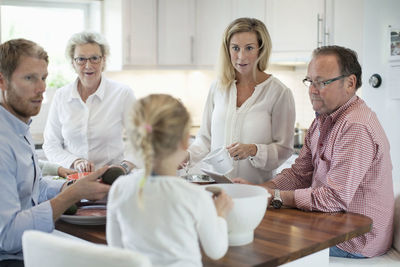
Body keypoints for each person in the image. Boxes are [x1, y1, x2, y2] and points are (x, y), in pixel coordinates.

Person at [234, 45, 394, 258]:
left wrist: (275, 196)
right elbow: (299, 174)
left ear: (350, 83)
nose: (312, 89)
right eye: (310, 81)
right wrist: (259, 191)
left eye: (322, 82)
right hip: (332, 222)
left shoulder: (356, 127)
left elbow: (333, 199)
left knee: (259, 242)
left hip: (356, 240)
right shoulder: (322, 120)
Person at [0, 38, 110, 266]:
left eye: (43, 78)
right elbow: (8, 237)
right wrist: (70, 195)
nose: (41, 88)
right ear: (2, 81)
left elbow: (34, 188)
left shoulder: (18, 127)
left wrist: (71, 186)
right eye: (29, 78)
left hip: (29, 247)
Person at [107, 94, 233, 266]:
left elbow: (116, 248)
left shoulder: (119, 188)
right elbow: (216, 250)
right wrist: (219, 214)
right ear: (185, 140)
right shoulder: (195, 196)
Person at [187, 17, 295, 184]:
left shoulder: (279, 93)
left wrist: (254, 150)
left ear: (261, 50)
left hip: (254, 190)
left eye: (249, 48)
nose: (241, 56)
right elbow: (205, 138)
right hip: (217, 188)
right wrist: (187, 156)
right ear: (227, 49)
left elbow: (285, 149)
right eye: (235, 48)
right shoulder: (218, 87)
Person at [43, 31, 135, 174]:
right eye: (81, 59)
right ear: (73, 63)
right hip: (74, 181)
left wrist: (124, 167)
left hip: (112, 180)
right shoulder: (61, 96)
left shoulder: (122, 94)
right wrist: (75, 161)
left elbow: (141, 140)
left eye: (94, 58)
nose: (88, 65)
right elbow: (50, 144)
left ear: (103, 60)